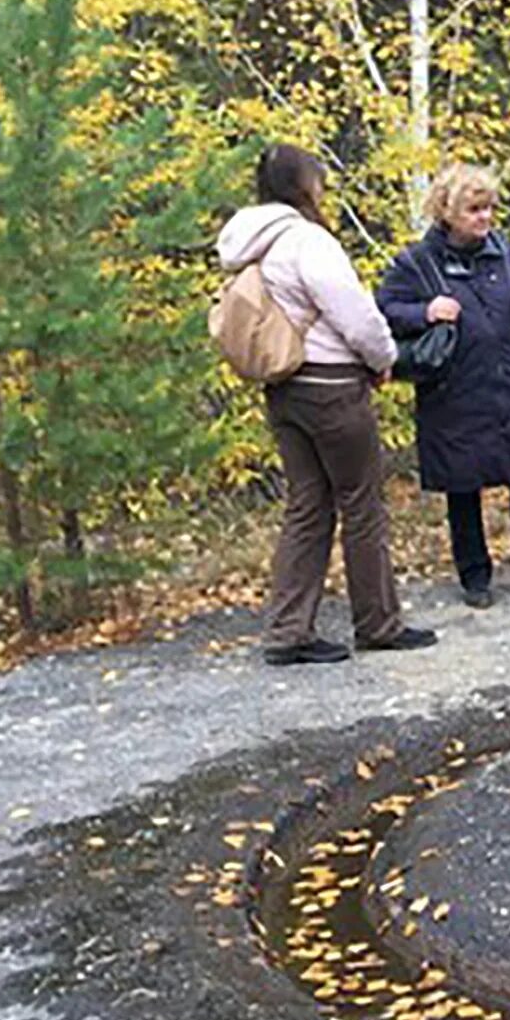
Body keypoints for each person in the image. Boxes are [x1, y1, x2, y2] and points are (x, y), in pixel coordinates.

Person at [218, 145, 437, 664]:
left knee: (306, 504)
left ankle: (288, 630)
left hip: (284, 385)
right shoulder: (306, 241)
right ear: (305, 186)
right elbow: (355, 313)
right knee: (361, 503)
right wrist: (384, 356)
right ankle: (378, 622)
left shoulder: (249, 243)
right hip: (331, 384)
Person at [378, 163, 510, 607]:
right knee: (463, 484)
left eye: (488, 208)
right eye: (474, 209)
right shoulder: (416, 261)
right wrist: (425, 311)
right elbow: (384, 308)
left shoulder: (503, 253)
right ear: (448, 211)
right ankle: (475, 575)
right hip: (455, 389)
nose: (484, 218)